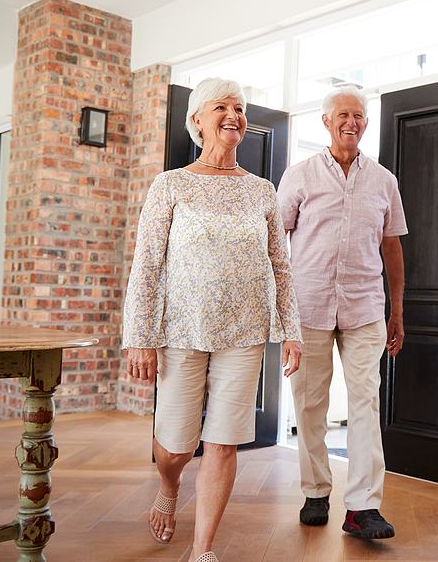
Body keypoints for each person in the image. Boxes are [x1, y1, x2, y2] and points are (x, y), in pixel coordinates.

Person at [123, 77, 302, 562]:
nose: (233, 115)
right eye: (220, 106)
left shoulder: (262, 191)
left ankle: (202, 550)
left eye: (239, 108)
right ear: (197, 120)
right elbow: (147, 266)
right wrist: (139, 337)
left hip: (244, 335)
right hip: (181, 331)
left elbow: (280, 267)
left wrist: (291, 332)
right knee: (175, 447)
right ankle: (169, 483)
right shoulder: (171, 185)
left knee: (222, 442)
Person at [277, 85, 407, 540]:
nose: (351, 122)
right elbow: (276, 244)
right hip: (307, 306)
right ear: (327, 121)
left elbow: (392, 248)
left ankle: (363, 508)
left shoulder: (383, 180)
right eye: (343, 115)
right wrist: (280, 313)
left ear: (366, 124)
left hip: (366, 306)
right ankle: (316, 491)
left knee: (365, 404)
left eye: (359, 115)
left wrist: (397, 312)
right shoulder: (300, 175)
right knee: (309, 403)